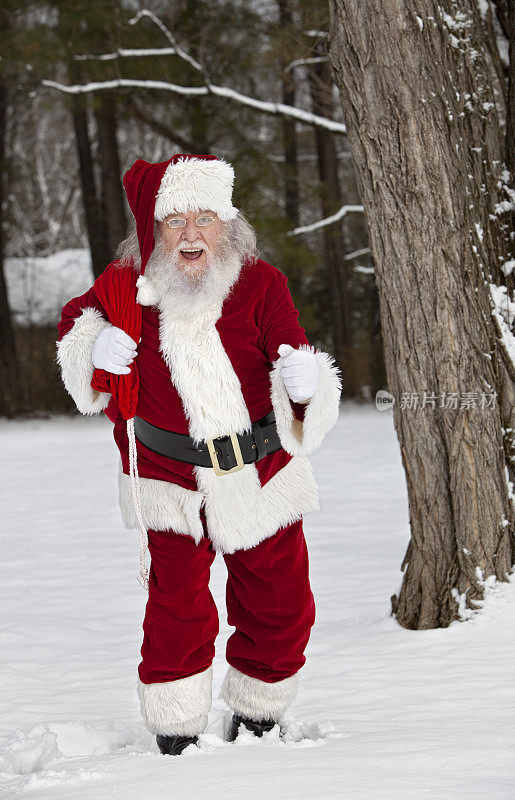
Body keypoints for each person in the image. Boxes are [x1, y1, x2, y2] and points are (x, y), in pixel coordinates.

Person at [56, 153, 342, 755]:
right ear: (153, 230)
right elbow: (74, 328)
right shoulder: (128, 288)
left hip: (257, 471)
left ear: (229, 225)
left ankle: (259, 713)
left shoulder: (262, 283)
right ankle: (177, 730)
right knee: (177, 611)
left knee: (281, 604)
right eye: (175, 219)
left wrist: (306, 386)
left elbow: (294, 352)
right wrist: (94, 349)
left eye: (205, 217)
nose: (191, 233)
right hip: (169, 477)